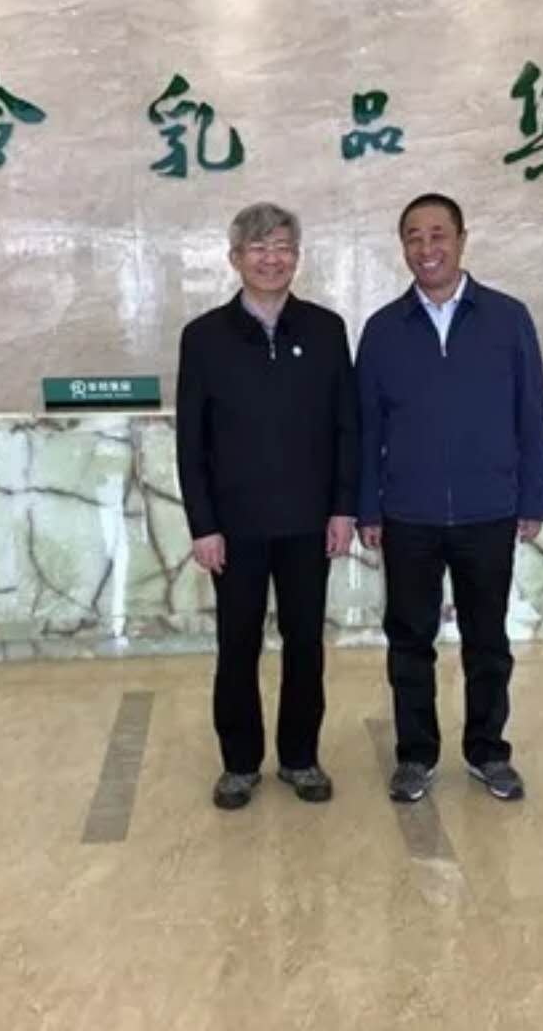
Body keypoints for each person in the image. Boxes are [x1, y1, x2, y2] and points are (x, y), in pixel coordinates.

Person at [356, 193, 543, 804]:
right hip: (407, 514)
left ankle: (489, 751)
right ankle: (415, 756)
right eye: (414, 237)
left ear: (462, 240)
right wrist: (368, 507)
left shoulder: (507, 318)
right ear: (403, 248)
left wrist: (533, 498)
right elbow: (366, 427)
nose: (427, 248)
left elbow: (529, 413)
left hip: (488, 509)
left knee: (487, 641)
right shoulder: (383, 330)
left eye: (438, 234)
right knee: (409, 642)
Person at [176, 203, 358, 810]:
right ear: (235, 259)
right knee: (238, 646)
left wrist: (343, 508)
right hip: (235, 528)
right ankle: (239, 764)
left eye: (282, 247)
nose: (271, 258)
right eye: (257, 248)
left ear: (296, 257)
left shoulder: (326, 329)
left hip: (309, 523)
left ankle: (301, 758)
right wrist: (204, 524)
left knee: (305, 644)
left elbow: (347, 427)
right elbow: (191, 442)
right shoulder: (204, 337)